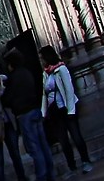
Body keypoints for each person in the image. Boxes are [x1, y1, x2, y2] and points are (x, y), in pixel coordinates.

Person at [3, 48, 56, 181]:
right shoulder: (27, 73)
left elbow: (8, 98)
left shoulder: (14, 78)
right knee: (43, 144)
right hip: (35, 109)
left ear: (11, 64)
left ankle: (42, 177)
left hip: (24, 113)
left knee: (33, 146)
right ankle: (50, 174)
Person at [40, 45, 94, 173]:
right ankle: (72, 166)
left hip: (65, 106)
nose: (41, 60)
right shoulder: (45, 73)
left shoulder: (61, 69)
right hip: (54, 109)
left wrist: (71, 110)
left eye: (42, 58)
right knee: (63, 139)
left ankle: (85, 160)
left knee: (75, 135)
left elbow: (69, 90)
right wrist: (43, 112)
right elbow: (44, 94)